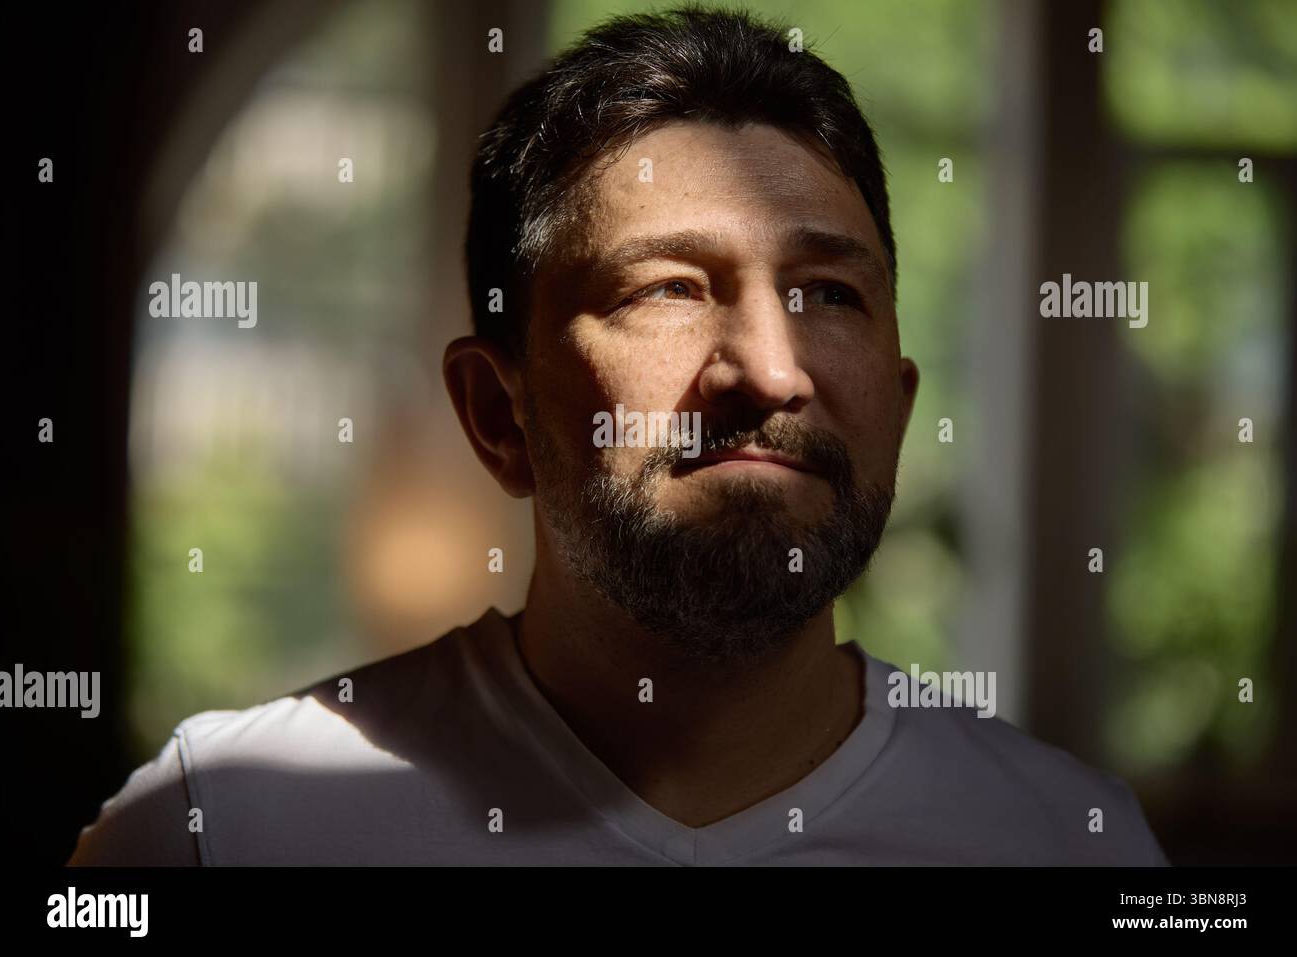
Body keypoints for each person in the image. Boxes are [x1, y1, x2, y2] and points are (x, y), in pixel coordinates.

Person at [70, 4, 1168, 866]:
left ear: (898, 399)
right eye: (668, 289)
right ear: (497, 415)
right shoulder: (218, 831)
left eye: (828, 294)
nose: (772, 372)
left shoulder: (1071, 846)